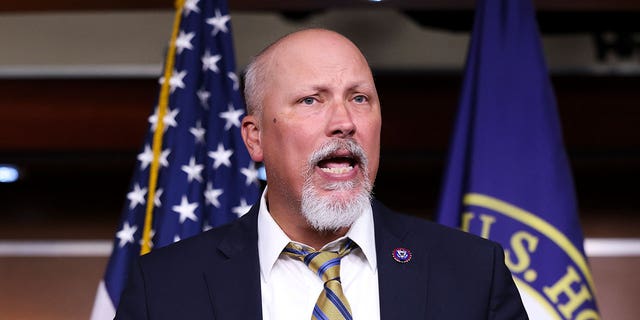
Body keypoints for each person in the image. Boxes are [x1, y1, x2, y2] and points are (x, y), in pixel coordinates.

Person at [115, 28, 528, 320]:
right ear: (254, 138)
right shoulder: (164, 288)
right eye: (311, 100)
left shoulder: (473, 272)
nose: (344, 122)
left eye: (360, 98)